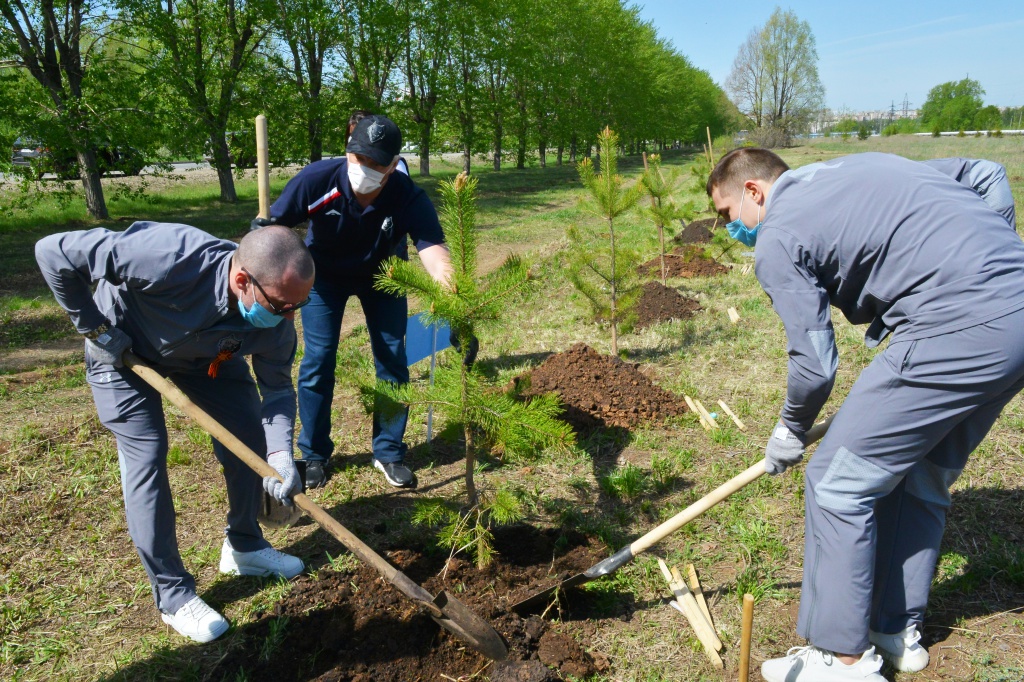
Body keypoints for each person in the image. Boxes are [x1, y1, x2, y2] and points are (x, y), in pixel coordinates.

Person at [707, 149, 1024, 682]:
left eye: (727, 214)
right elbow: (986, 173)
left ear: (755, 191)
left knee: (836, 482)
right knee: (920, 472)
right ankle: (893, 632)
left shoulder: (778, 236)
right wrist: (999, 262)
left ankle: (842, 660)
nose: (729, 229)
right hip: (1016, 317)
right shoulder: (856, 167)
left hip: (953, 324)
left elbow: (814, 366)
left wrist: (790, 426)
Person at [35, 222, 314, 644]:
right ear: (242, 280)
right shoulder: (167, 256)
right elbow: (53, 251)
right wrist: (94, 328)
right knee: (147, 457)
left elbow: (276, 388)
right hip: (122, 350)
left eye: (299, 305)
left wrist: (278, 455)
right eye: (281, 305)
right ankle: (172, 594)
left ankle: (245, 545)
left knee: (249, 440)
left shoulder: (275, 321)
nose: (289, 316)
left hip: (208, 361)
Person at [251, 114, 470, 490]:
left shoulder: (407, 196)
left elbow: (433, 251)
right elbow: (274, 229)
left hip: (384, 276)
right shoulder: (315, 180)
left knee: (392, 359)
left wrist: (458, 309)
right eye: (358, 158)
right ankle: (315, 454)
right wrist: (261, 243)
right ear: (348, 150)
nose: (363, 169)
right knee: (318, 361)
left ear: (392, 164)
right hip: (323, 280)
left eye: (375, 163)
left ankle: (388, 452)